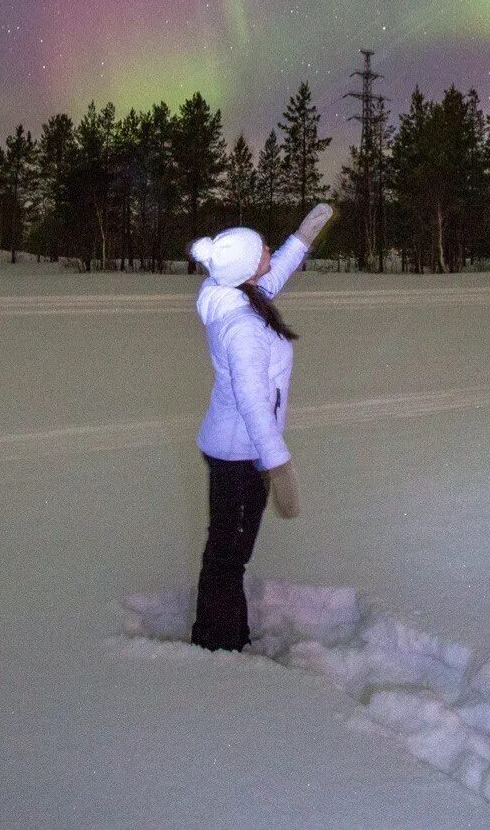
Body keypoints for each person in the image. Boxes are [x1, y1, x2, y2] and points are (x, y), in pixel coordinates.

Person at [186, 203, 333, 651]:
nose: (268, 249)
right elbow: (253, 404)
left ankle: (219, 634)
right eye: (261, 248)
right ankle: (221, 643)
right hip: (240, 454)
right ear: (247, 269)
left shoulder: (232, 290)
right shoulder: (242, 327)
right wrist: (279, 464)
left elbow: (274, 274)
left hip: (233, 448)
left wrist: (302, 239)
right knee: (229, 555)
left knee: (226, 551)